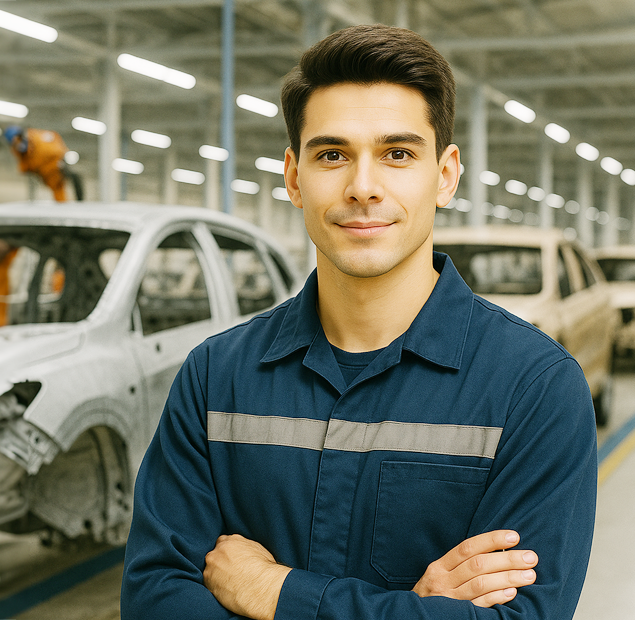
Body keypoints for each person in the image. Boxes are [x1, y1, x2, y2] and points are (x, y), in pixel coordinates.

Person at [121, 24, 596, 619]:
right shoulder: (216, 378)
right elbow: (154, 599)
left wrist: (273, 591)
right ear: (294, 177)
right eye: (332, 155)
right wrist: (410, 611)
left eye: (398, 154)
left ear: (445, 175)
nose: (363, 187)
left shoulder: (534, 389)